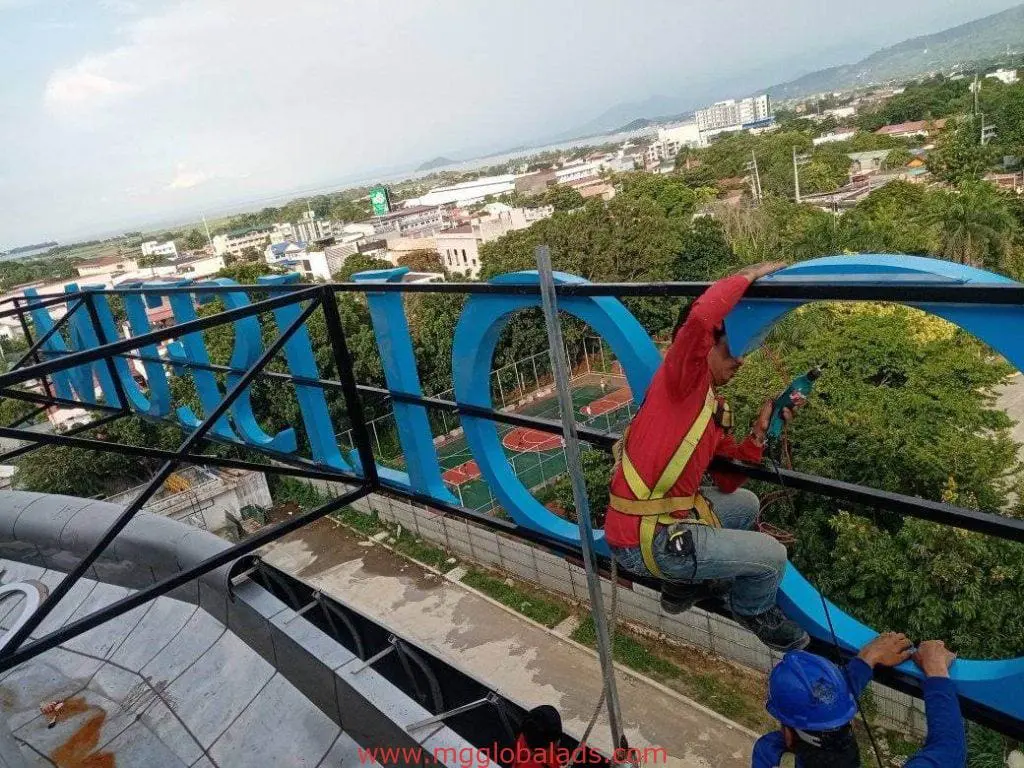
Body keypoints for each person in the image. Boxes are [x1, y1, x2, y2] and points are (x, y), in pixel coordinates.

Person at [604, 262, 808, 651]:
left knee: (744, 503)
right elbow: (700, 318)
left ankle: (680, 585)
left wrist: (760, 433)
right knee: (772, 557)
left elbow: (729, 480)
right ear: (705, 348)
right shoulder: (682, 380)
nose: (741, 360)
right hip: (644, 539)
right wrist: (749, 275)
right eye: (733, 348)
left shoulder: (711, 408)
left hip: (656, 525)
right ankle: (751, 607)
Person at [753, 634, 966, 768]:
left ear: (788, 736)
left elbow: (949, 751)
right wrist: (936, 670)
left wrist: (866, 661)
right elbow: (948, 748)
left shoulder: (769, 755)